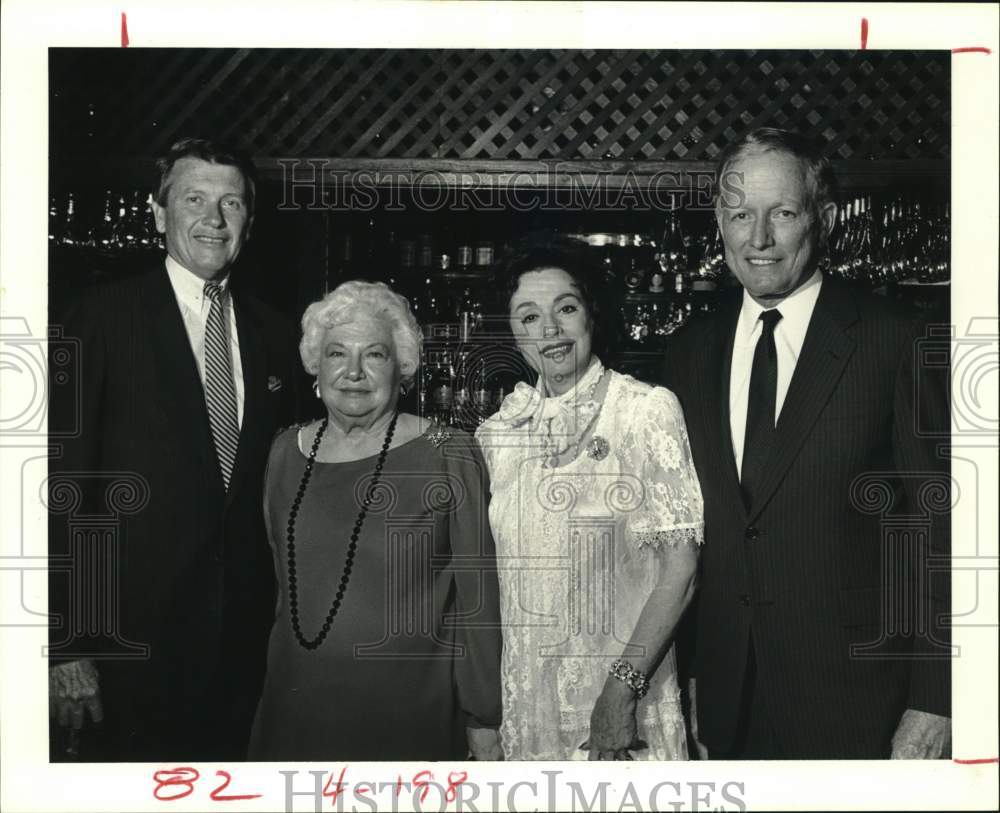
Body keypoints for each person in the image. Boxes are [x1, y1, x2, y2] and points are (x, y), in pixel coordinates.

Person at [661, 127, 951, 759]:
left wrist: (936, 699)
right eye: (740, 214)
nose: (758, 238)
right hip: (724, 704)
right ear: (719, 221)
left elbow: (942, 528)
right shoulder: (688, 352)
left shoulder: (894, 340)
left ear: (823, 217)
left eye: (782, 213)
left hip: (858, 701)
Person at [47, 138, 301, 760]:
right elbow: (60, 487)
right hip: (129, 647)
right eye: (194, 200)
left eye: (231, 204)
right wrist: (69, 646)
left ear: (249, 221)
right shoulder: (99, 317)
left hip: (244, 648)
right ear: (158, 214)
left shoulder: (277, 333)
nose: (214, 220)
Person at [247, 280, 502, 761]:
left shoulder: (448, 452)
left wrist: (484, 715)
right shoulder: (284, 452)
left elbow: (478, 601)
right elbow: (281, 586)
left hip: (408, 714)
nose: (354, 373)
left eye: (376, 355)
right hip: (295, 709)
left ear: (402, 368)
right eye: (337, 354)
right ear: (315, 367)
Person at [474, 235, 703, 760]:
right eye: (528, 317)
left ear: (591, 314)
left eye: (566, 309)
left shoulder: (644, 411)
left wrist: (620, 693)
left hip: (621, 711)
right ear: (513, 333)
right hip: (529, 712)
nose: (549, 330)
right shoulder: (499, 434)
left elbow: (681, 570)